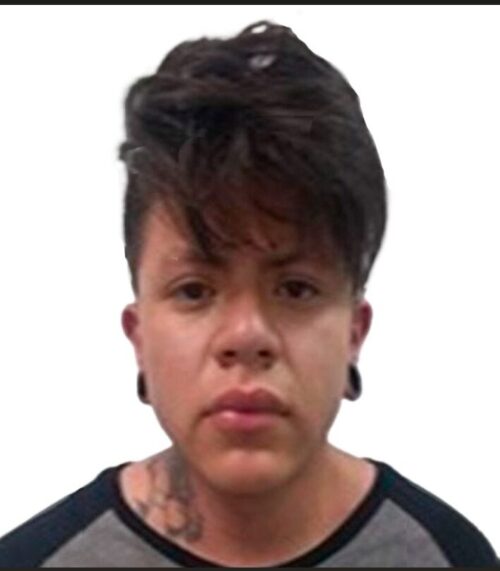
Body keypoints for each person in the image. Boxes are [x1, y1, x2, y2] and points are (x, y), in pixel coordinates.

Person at [0, 20, 497, 568]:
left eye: (296, 288)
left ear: (354, 333)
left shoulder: (448, 557)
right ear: (138, 335)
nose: (246, 336)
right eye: (194, 290)